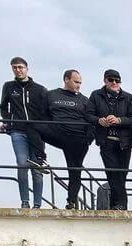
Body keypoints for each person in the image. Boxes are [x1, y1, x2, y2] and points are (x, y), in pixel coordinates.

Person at [0, 57, 50, 209]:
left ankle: (37, 204)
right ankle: (25, 202)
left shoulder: (40, 89)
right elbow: (3, 106)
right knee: (22, 164)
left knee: (37, 167)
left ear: (27, 68)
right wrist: (8, 121)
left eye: (20, 67)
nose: (18, 70)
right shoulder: (8, 87)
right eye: (14, 67)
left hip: (37, 133)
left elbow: (47, 111)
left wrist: (44, 127)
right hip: (17, 131)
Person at [86, 69, 132, 210]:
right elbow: (88, 115)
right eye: (111, 80)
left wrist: (119, 120)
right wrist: (99, 120)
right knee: (112, 171)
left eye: (117, 80)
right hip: (106, 140)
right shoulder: (96, 96)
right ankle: (120, 204)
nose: (114, 82)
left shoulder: (129, 97)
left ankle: (117, 204)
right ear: (105, 80)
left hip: (124, 142)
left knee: (122, 173)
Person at [43, 70, 92, 209]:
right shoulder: (51, 95)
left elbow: (92, 120)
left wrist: (88, 140)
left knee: (75, 170)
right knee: (32, 126)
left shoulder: (84, 100)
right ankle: (39, 157)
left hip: (77, 139)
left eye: (80, 83)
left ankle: (71, 201)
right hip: (58, 133)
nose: (79, 85)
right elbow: (43, 114)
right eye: (76, 82)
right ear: (66, 80)